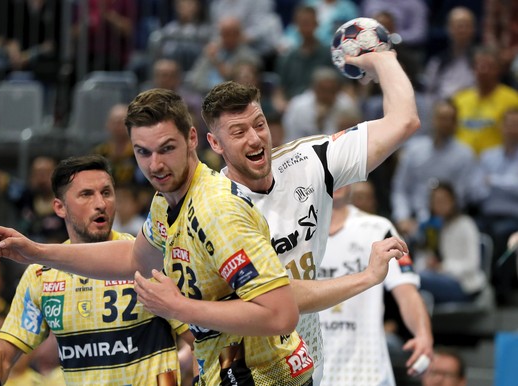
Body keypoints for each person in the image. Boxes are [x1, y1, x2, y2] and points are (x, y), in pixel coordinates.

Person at [0, 53, 412, 383]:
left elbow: (280, 312)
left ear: (192, 141)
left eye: (166, 149)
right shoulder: (165, 200)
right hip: (235, 366)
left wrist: (179, 306)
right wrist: (37, 251)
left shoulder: (218, 210)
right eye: (142, 153)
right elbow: (135, 259)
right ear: (214, 141)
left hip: (269, 374)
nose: (155, 165)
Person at [202, 50, 422, 383]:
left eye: (259, 124)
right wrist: (366, 277)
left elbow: (404, 120)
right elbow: (280, 299)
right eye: (237, 132)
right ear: (215, 144)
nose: (254, 137)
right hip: (246, 371)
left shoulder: (311, 160)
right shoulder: (216, 209)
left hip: (307, 362)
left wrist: (382, 57)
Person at [0, 154, 192, 386]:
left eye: (106, 193)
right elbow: (2, 356)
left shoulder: (146, 260)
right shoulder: (41, 275)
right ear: (60, 207)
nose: (101, 203)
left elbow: (202, 338)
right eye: (86, 194)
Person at [317, 184, 432, 386]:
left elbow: (407, 292)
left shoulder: (379, 228)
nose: (338, 179)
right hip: (307, 368)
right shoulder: (291, 228)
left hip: (366, 373)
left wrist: (423, 334)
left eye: (344, 171)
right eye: (330, 171)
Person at [391, 99, 476, 242]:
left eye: (449, 119)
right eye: (441, 118)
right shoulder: (413, 150)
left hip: (448, 222)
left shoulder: (465, 155)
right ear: (433, 119)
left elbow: (460, 196)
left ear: (455, 123)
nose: (445, 123)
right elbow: (400, 189)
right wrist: (403, 217)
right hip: (412, 218)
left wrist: (438, 221)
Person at [468, 107, 518, 304]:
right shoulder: (489, 155)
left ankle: (502, 291)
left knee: (502, 234)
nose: (512, 129)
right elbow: (476, 189)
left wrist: (494, 181)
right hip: (486, 213)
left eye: (516, 125)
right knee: (473, 230)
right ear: (501, 127)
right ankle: (477, 287)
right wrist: (506, 183)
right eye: (509, 124)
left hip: (512, 216)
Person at [416, 181, 487, 304]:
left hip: (465, 284)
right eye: (435, 201)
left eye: (443, 200)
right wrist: (428, 264)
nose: (439, 204)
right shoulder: (433, 226)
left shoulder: (466, 224)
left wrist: (443, 267)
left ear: (453, 200)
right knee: (411, 278)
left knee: (417, 279)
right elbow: (424, 256)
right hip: (439, 278)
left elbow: (472, 264)